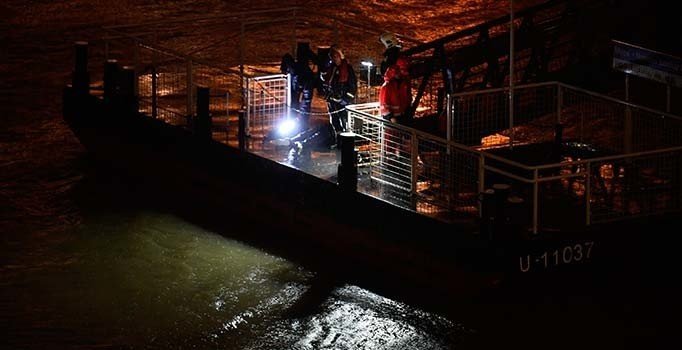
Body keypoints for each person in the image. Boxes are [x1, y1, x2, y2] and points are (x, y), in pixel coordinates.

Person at [320, 45, 357, 148]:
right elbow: (325, 80)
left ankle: (347, 144)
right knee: (335, 122)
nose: (334, 59)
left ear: (340, 56)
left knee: (345, 122)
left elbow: (352, 87)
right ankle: (339, 142)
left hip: (343, 103)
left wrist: (345, 99)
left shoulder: (347, 69)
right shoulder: (331, 68)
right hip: (332, 101)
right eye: (332, 57)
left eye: (336, 56)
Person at [280, 42, 318, 129]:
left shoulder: (308, 81)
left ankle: (303, 124)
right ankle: (293, 120)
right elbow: (286, 57)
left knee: (304, 104)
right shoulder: (294, 70)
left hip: (305, 80)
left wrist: (303, 121)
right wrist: (284, 69)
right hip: (296, 80)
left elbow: (306, 102)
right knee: (294, 103)